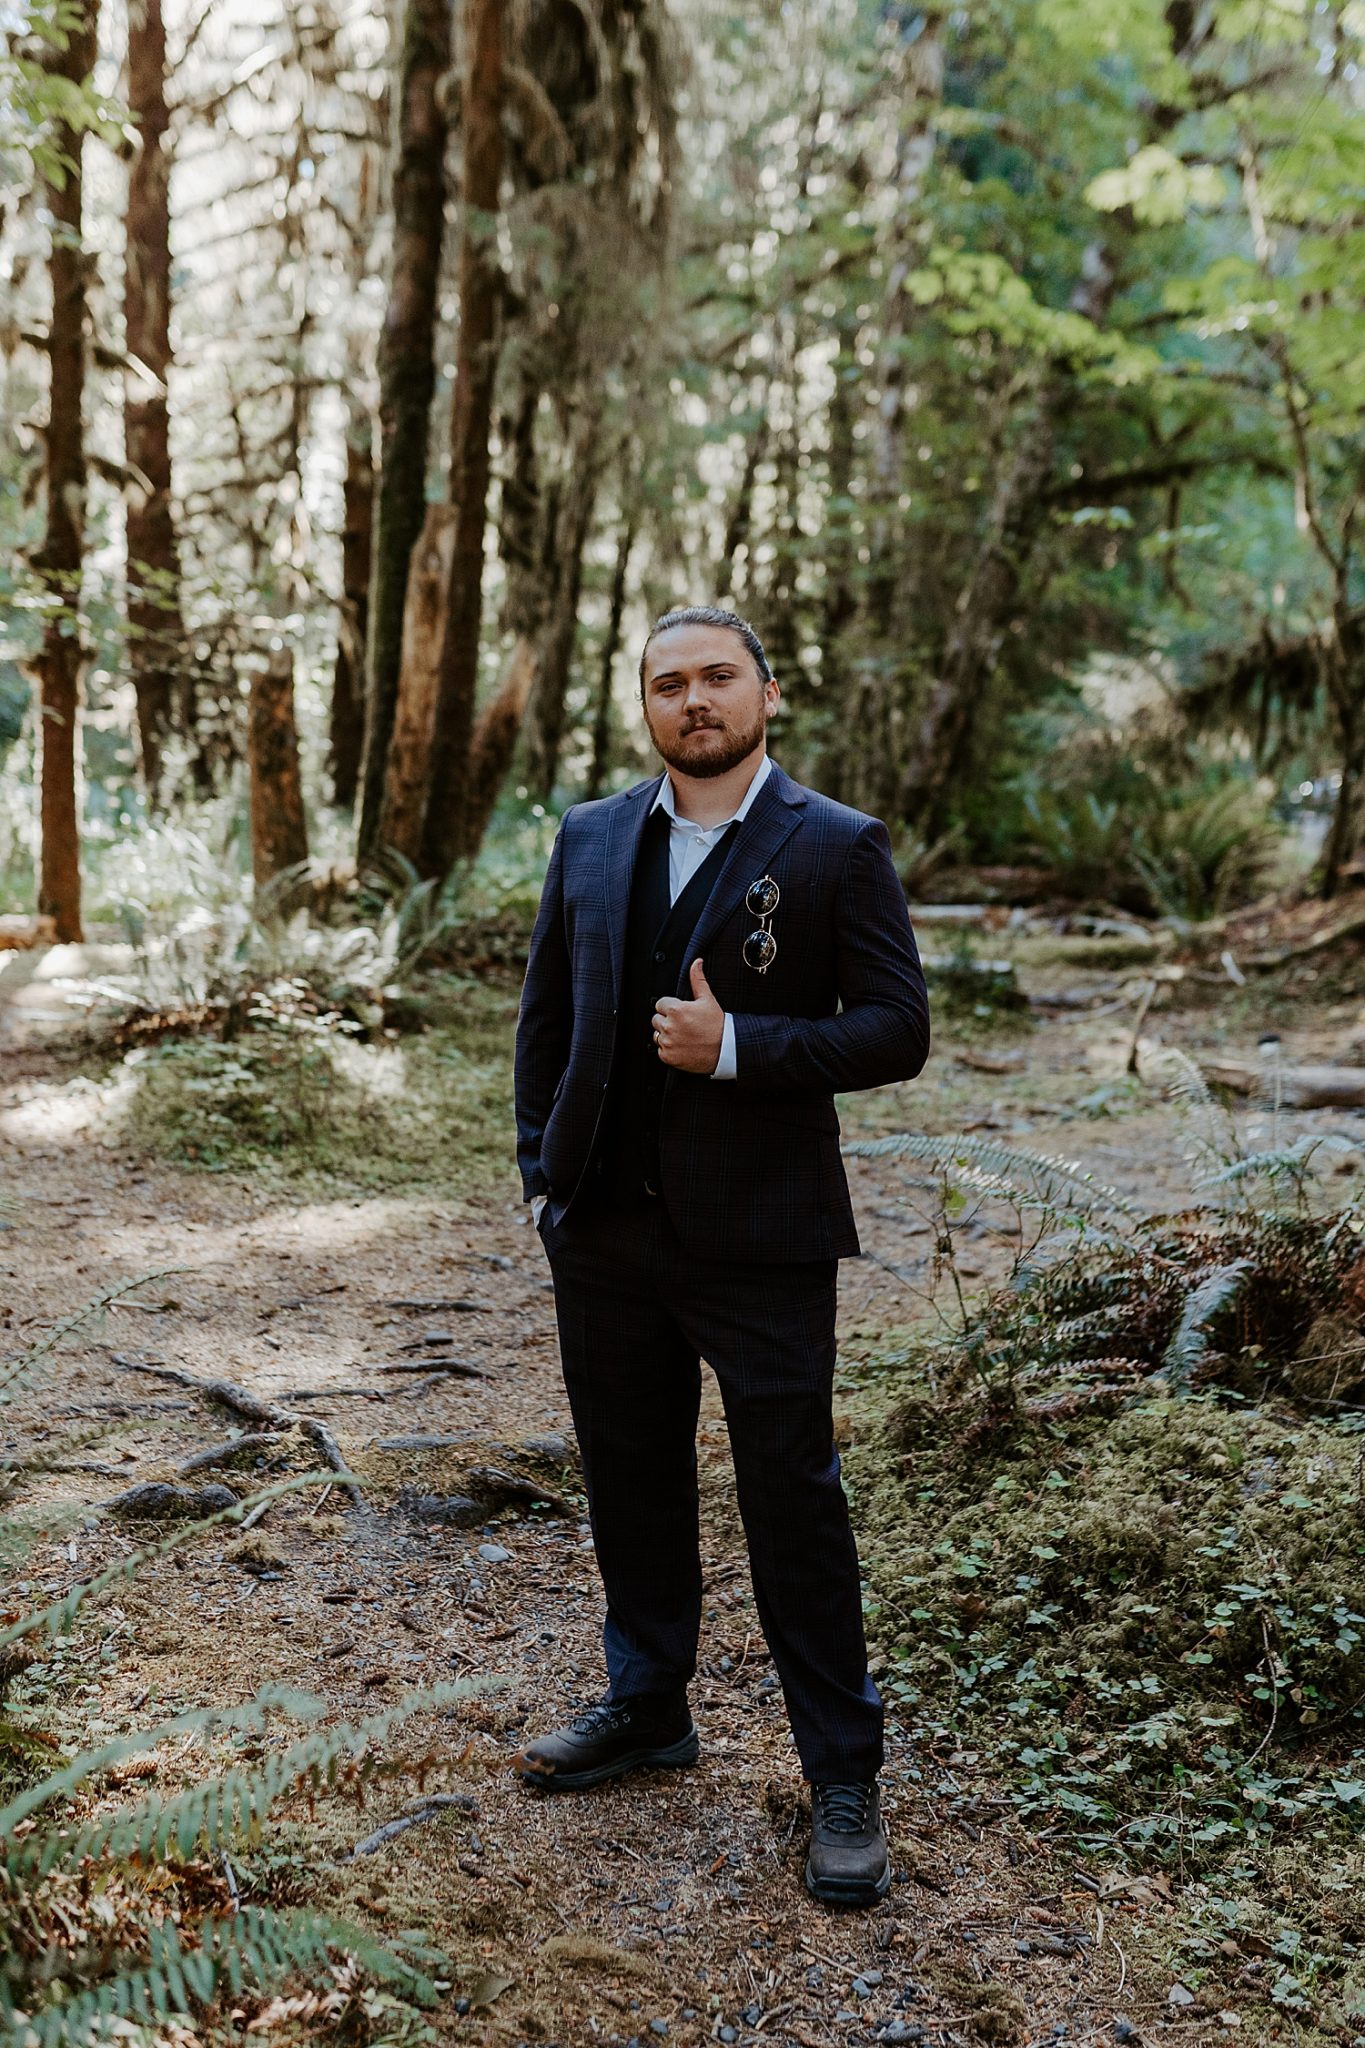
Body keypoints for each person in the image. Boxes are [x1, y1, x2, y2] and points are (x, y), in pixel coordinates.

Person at [511, 604, 930, 1906]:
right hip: (605, 1235)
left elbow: (893, 1031)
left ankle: (841, 1776)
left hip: (761, 1239)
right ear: (644, 704)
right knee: (629, 1482)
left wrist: (737, 1047)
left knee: (790, 1503)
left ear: (764, 691)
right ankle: (647, 1708)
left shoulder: (835, 846)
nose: (693, 700)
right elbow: (543, 1021)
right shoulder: (587, 840)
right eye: (668, 682)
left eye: (717, 677)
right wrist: (543, 1181)